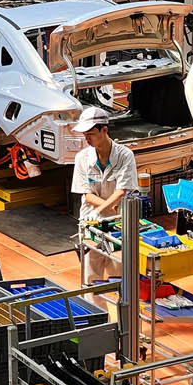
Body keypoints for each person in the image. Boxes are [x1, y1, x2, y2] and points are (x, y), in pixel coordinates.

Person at [70, 107, 138, 281]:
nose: (87, 138)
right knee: (90, 277)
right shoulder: (82, 158)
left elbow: (121, 191)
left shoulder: (125, 156)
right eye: (84, 134)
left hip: (118, 223)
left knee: (119, 275)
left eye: (90, 134)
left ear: (104, 130)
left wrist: (102, 209)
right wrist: (105, 208)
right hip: (91, 222)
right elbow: (87, 195)